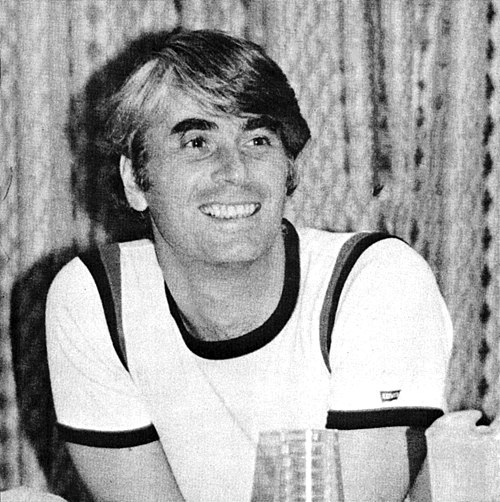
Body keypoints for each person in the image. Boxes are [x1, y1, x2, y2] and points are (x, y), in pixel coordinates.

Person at [46, 28, 452, 502]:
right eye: (196, 142)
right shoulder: (94, 301)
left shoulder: (374, 282)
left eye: (258, 140)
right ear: (135, 180)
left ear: (289, 170)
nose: (235, 170)